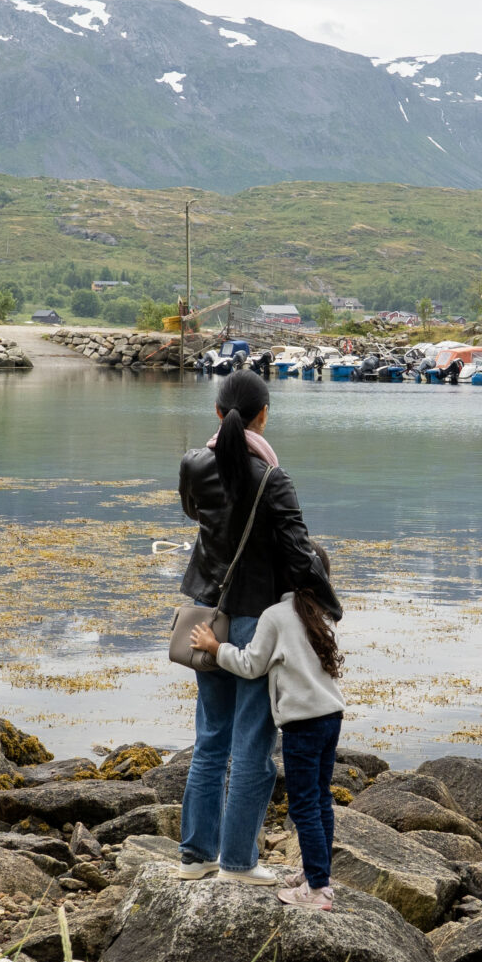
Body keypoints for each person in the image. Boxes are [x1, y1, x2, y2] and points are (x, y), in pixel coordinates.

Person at [175, 368, 326, 883]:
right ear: (264, 415)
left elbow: (197, 515)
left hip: (206, 616)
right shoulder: (273, 478)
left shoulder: (195, 464)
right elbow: (300, 555)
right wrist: (327, 600)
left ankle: (196, 858)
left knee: (210, 739)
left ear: (218, 413)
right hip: (256, 623)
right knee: (253, 748)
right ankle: (238, 863)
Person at [193, 543, 344, 910]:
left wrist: (215, 647)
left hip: (301, 724)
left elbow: (250, 665)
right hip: (331, 716)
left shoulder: (275, 615)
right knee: (322, 800)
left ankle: (317, 890)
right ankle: (315, 873)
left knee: (304, 806)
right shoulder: (323, 613)